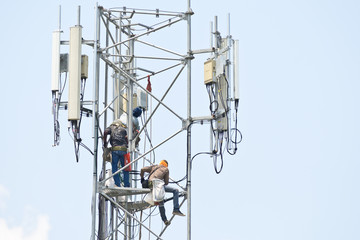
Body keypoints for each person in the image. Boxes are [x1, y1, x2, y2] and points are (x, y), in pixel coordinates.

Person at [140, 160, 185, 225]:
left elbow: (142, 169)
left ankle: (165, 220)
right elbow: (166, 183)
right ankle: (176, 209)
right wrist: (163, 178)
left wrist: (142, 178)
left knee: (160, 202)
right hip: (157, 185)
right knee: (175, 190)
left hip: (150, 185)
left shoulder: (154, 167)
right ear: (166, 165)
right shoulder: (165, 169)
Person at [103, 119, 130, 187]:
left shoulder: (111, 127)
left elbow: (105, 131)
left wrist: (105, 142)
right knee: (126, 168)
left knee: (114, 167)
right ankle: (126, 184)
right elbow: (127, 141)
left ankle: (117, 184)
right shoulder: (123, 130)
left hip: (115, 149)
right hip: (124, 150)